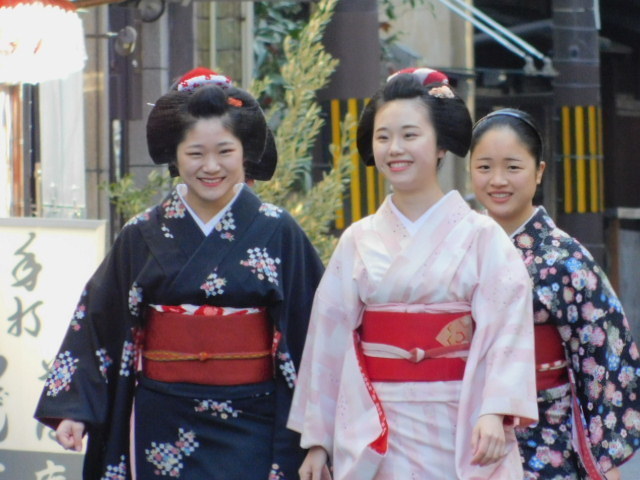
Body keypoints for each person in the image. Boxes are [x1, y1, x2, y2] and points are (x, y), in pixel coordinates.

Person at [34, 68, 325, 480]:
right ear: (175, 155)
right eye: (195, 154)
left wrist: (318, 434)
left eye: (225, 151)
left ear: (246, 152)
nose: (211, 166)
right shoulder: (143, 233)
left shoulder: (278, 230)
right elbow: (100, 318)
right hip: (162, 418)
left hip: (253, 418)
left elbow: (314, 331)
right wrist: (75, 409)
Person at [288, 67, 539, 480]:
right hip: (375, 422)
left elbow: (506, 329)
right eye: (383, 137)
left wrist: (494, 410)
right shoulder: (358, 239)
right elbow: (327, 340)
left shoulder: (481, 236)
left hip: (459, 421)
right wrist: (318, 441)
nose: (394, 149)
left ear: (441, 144)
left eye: (410, 135)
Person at [469, 108, 640, 480]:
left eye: (513, 167)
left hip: (545, 438)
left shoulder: (565, 259)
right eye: (484, 167)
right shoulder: (456, 250)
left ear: (539, 172)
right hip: (465, 432)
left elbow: (607, 361)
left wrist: (604, 459)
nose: (497, 180)